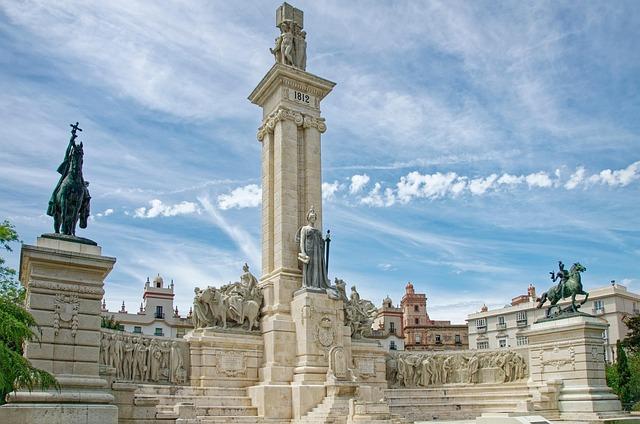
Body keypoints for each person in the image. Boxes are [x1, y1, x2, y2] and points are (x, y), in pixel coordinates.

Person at [298, 207, 330, 289]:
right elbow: (302, 241)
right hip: (309, 249)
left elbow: (321, 243)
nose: (313, 218)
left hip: (317, 251)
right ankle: (308, 284)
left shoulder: (318, 231)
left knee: (317, 267)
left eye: (314, 217)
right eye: (311, 217)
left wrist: (324, 242)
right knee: (309, 267)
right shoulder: (304, 228)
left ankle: (316, 285)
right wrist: (303, 253)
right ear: (308, 218)